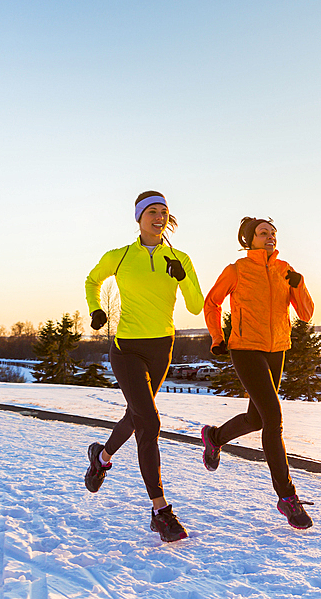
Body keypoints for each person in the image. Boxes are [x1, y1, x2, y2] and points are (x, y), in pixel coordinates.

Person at [83, 191, 204, 542]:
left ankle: (101, 457)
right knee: (149, 421)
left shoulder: (179, 257)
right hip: (127, 349)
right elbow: (93, 280)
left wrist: (182, 276)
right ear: (138, 218)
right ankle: (160, 511)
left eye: (164, 212)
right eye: (152, 211)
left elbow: (196, 307)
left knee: (136, 416)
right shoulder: (119, 257)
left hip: (161, 348)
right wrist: (96, 309)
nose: (159, 217)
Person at [200, 217, 316, 529]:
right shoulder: (237, 269)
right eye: (263, 233)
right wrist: (217, 338)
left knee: (256, 419)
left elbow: (305, 313)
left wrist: (299, 284)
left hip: (276, 349)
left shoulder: (285, 270)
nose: (270, 237)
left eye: (274, 233)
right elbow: (211, 303)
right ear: (248, 239)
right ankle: (286, 497)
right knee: (273, 419)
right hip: (245, 349)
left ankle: (214, 437)